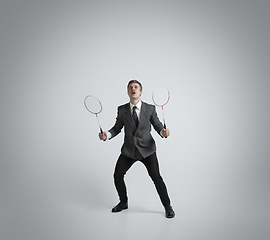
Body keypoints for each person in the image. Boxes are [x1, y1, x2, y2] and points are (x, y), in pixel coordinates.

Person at [99, 80, 175, 218]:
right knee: (117, 176)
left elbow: (157, 125)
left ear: (140, 92)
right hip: (129, 151)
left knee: (156, 177)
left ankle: (167, 206)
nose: (133, 89)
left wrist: (163, 132)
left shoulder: (150, 108)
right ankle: (123, 202)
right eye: (130, 88)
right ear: (128, 92)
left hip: (147, 150)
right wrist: (107, 135)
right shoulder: (122, 109)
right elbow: (117, 127)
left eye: (136, 87)